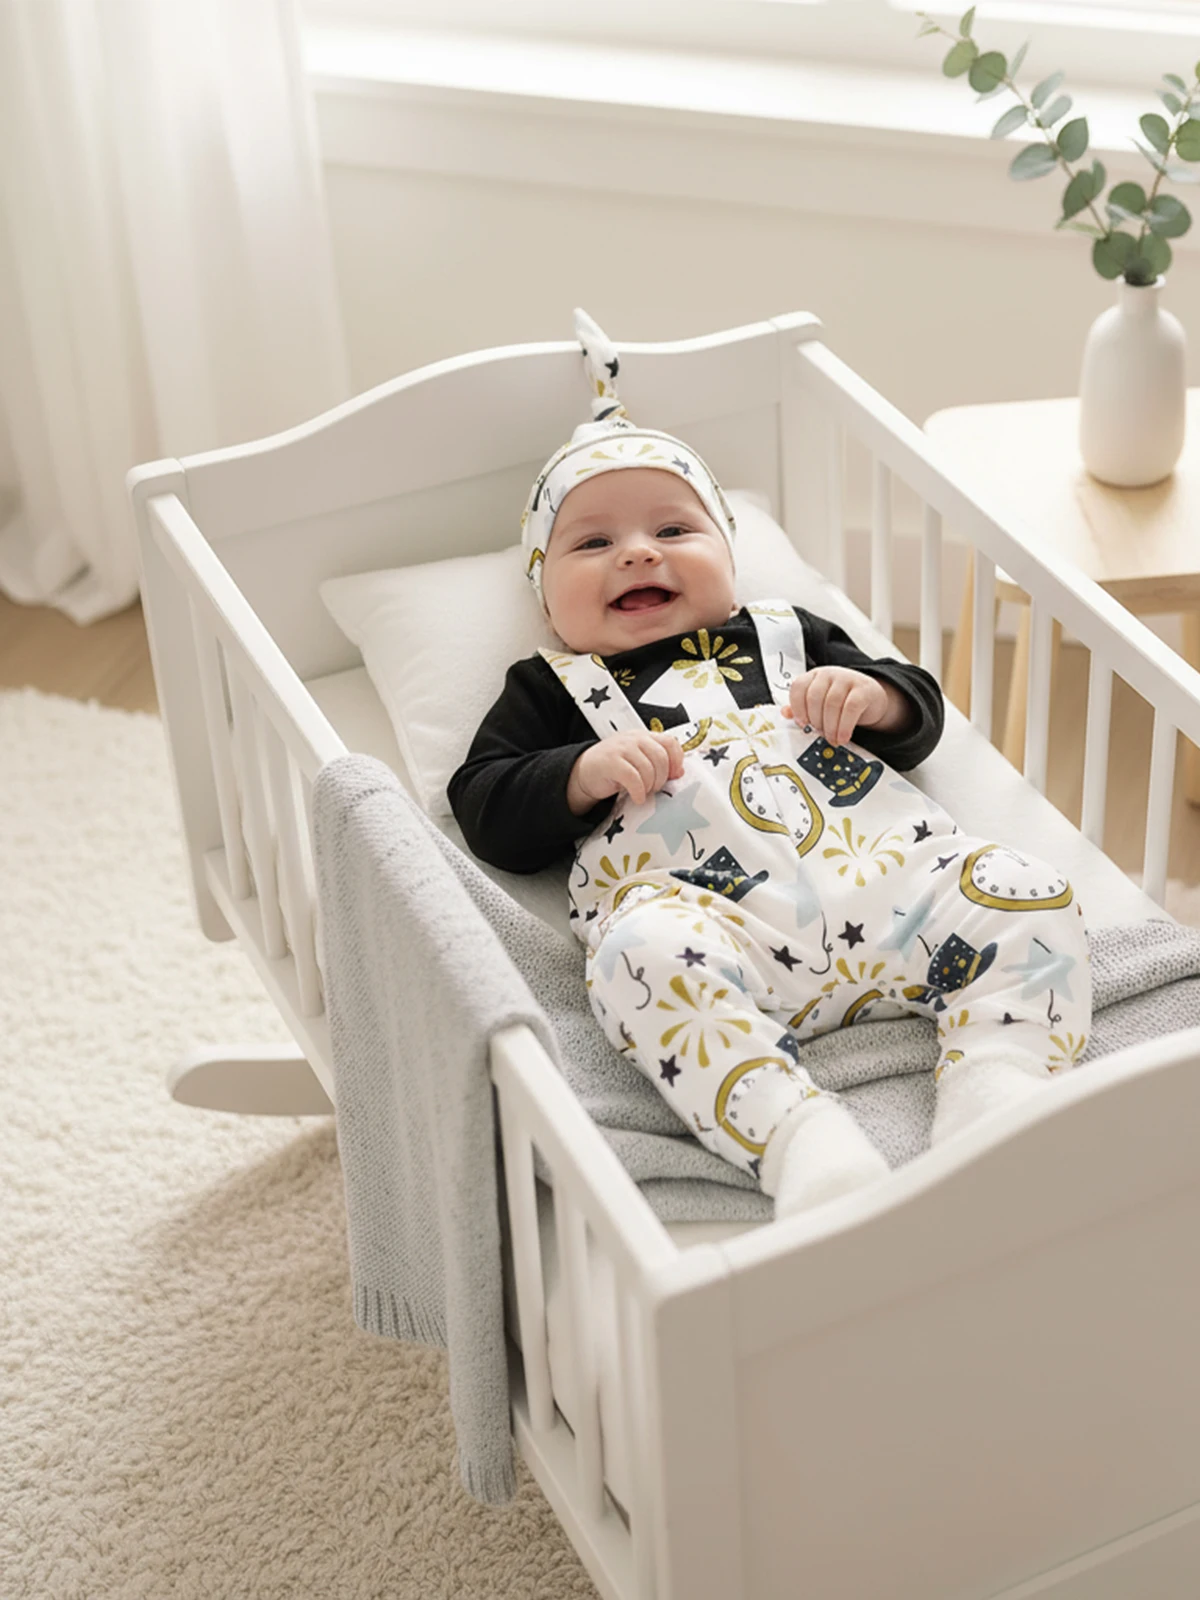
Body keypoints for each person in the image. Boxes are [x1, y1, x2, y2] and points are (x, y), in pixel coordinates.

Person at [450, 310, 1091, 1216]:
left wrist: (874, 698)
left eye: (675, 530)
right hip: (717, 924)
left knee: (1022, 887)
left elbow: (920, 709)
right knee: (638, 960)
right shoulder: (554, 685)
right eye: (592, 543)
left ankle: (999, 1079)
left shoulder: (787, 631)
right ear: (546, 597)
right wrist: (580, 775)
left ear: (728, 558)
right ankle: (798, 1137)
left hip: (897, 891)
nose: (638, 551)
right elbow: (482, 804)